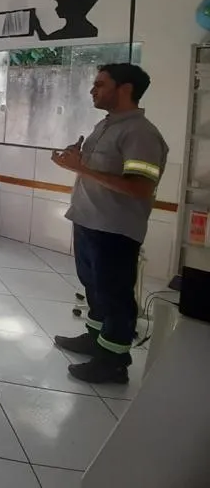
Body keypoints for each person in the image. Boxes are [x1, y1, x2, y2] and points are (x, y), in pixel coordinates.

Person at [51, 63, 168, 385]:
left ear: (125, 88)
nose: (93, 90)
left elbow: (139, 187)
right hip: (89, 221)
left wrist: (82, 168)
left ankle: (114, 360)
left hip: (114, 229)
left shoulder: (140, 134)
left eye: (100, 84)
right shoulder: (107, 126)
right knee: (95, 289)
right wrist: (73, 162)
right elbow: (100, 172)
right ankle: (95, 340)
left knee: (115, 296)